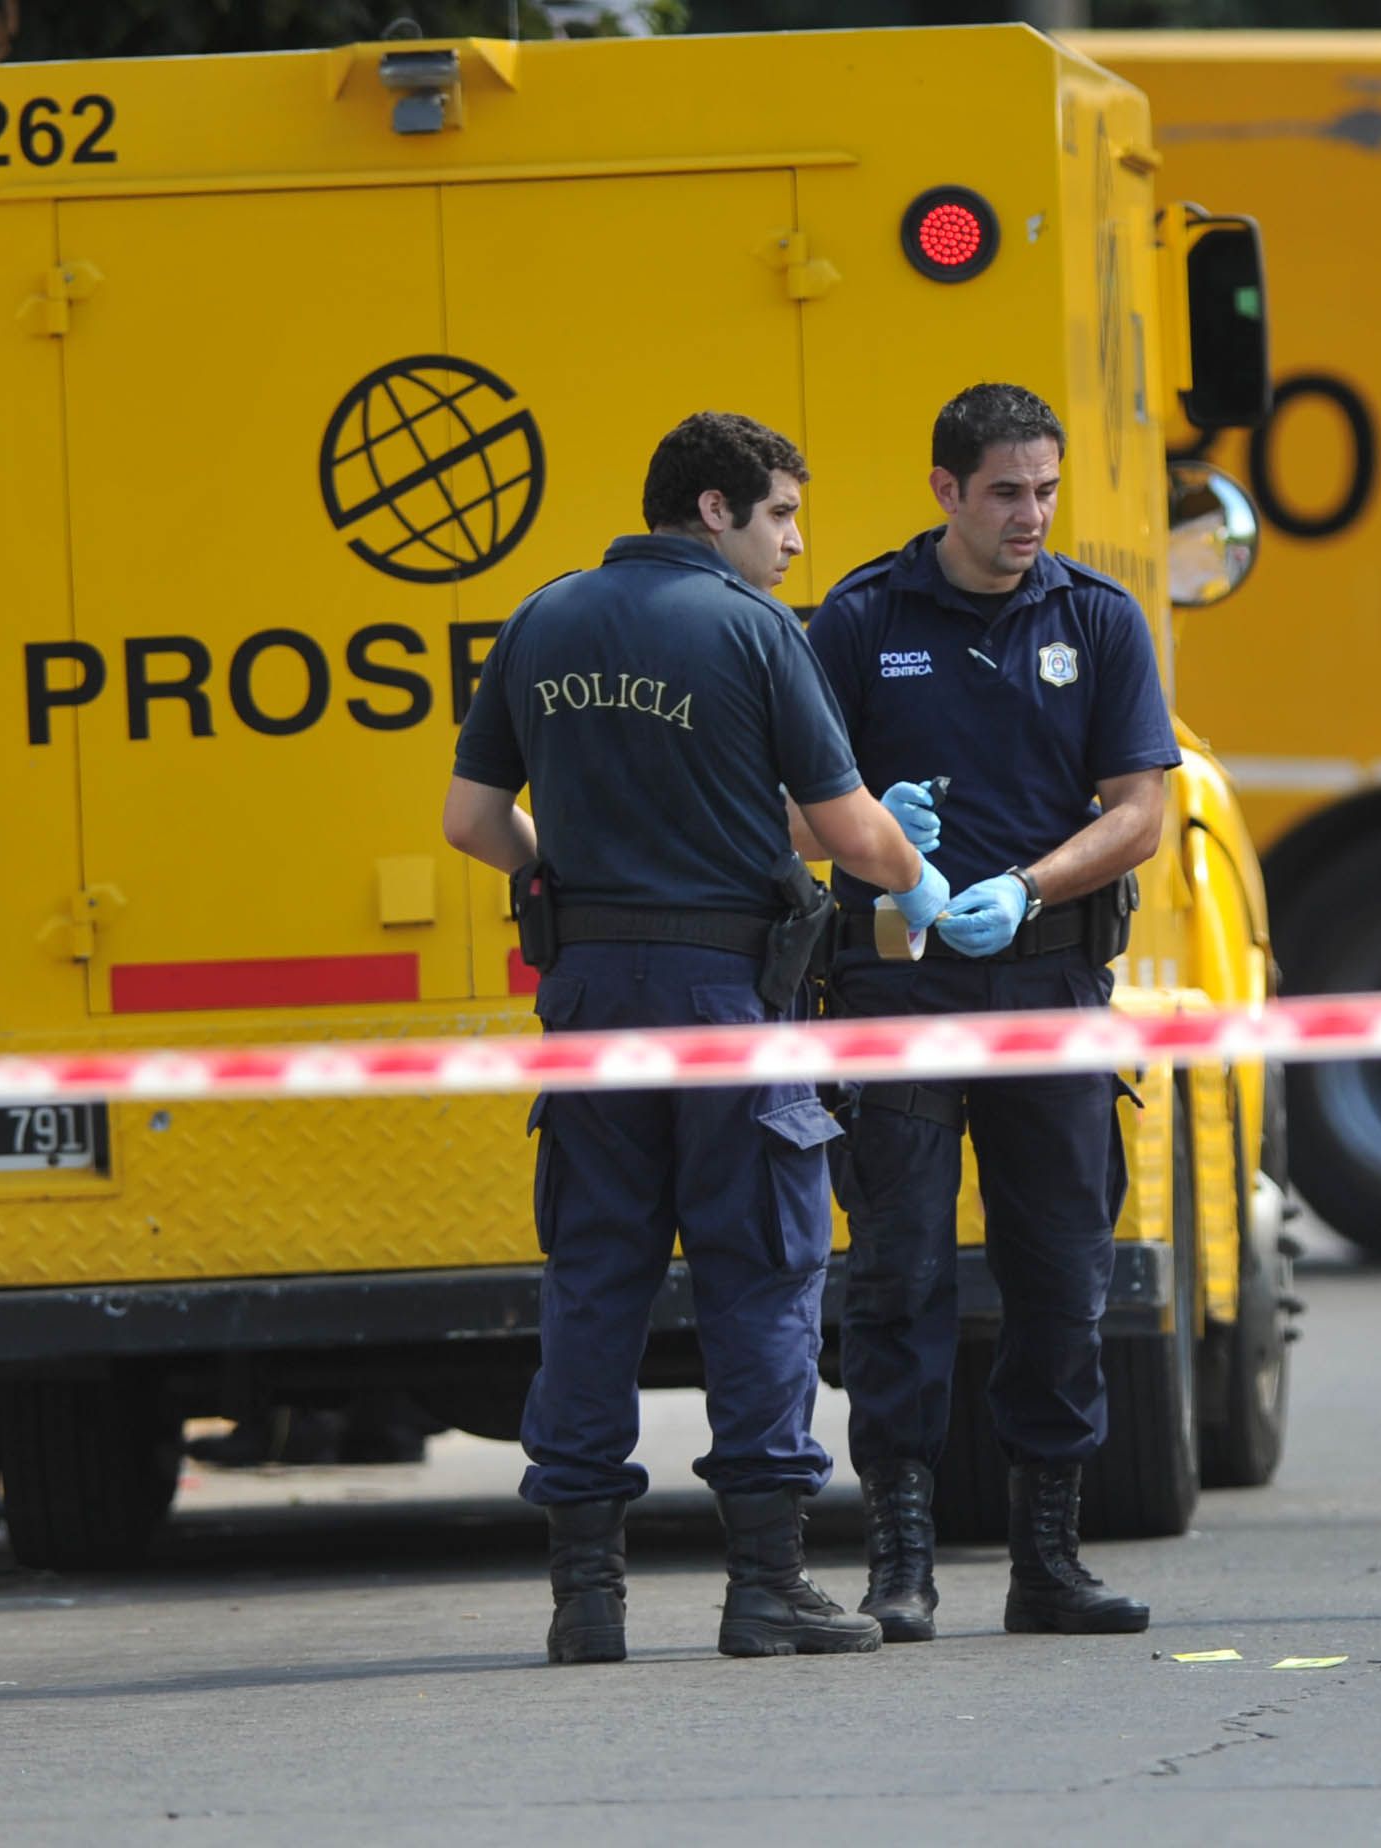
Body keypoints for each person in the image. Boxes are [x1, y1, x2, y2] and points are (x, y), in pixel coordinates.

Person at [443, 410, 952, 1664]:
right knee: (762, 1272)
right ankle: (766, 1585)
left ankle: (586, 1599)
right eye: (781, 514)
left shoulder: (542, 620)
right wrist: (918, 878)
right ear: (715, 510)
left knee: (594, 1277)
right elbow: (847, 830)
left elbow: (470, 820)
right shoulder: (753, 630)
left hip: (587, 998)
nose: (795, 542)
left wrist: (560, 877)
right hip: (728, 995)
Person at [798, 382, 1180, 1642]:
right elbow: (790, 808)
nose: (1031, 515)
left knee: (1060, 1271)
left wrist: (1027, 887)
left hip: (1050, 982)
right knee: (898, 1273)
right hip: (896, 984)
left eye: (1046, 490)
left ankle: (1048, 1560)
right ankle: (900, 1559)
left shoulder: (1096, 618)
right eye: (1007, 491)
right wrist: (877, 845)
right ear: (946, 490)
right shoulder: (862, 618)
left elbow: (1140, 810)